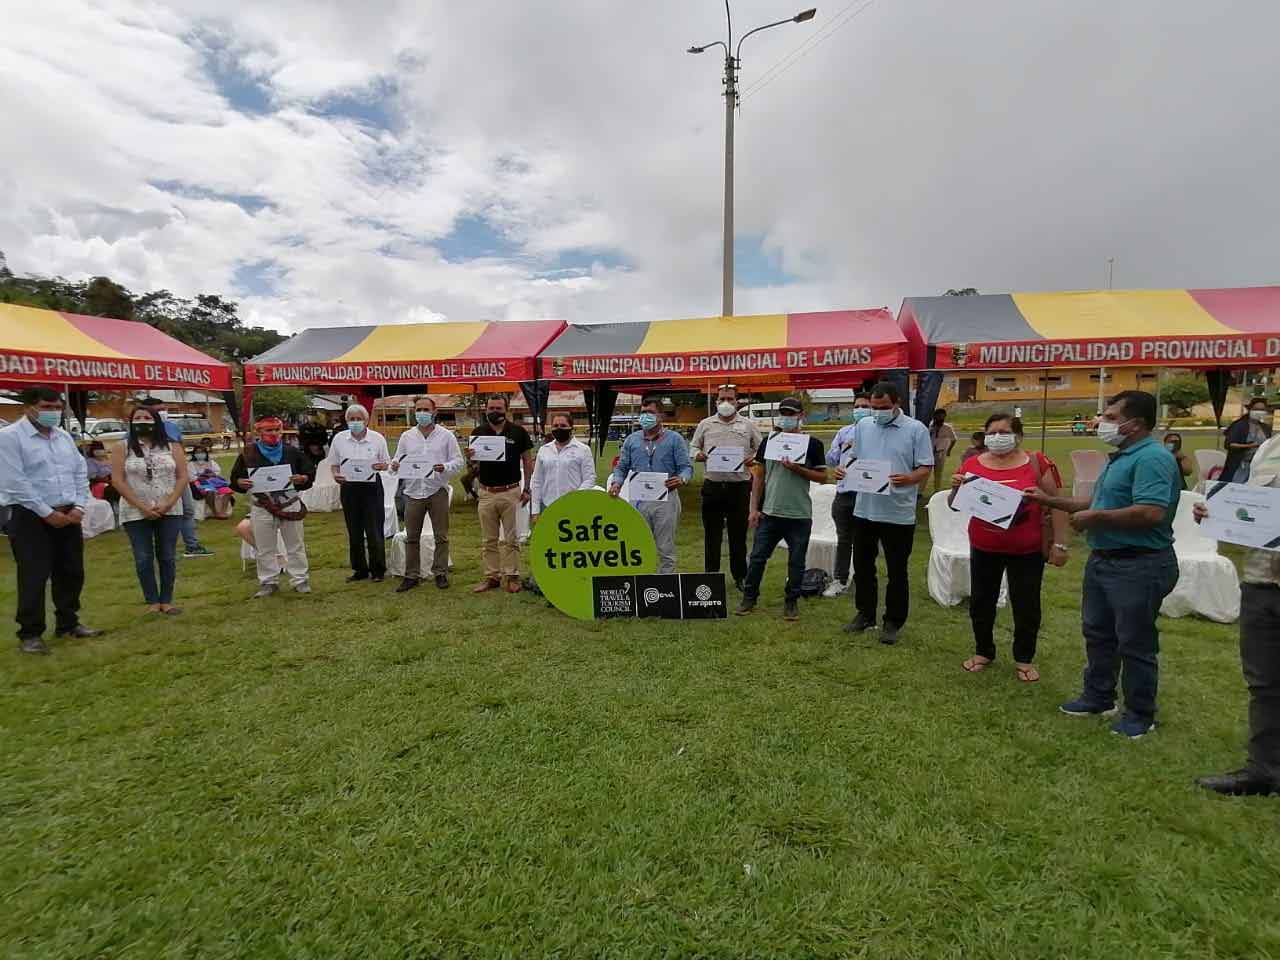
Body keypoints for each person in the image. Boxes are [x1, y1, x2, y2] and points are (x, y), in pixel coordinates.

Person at [1024, 390, 1180, 739]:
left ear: (1135, 424)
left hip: (1138, 564)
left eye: (1110, 418)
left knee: (1134, 641)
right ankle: (1098, 696)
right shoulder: (1121, 456)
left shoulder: (1152, 458)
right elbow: (1092, 501)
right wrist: (1049, 500)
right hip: (1105, 560)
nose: (1102, 423)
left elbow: (1151, 512)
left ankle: (1140, 714)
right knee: (1098, 632)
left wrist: (1096, 518)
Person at [950, 414, 1070, 682]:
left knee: (1026, 604)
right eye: (991, 432)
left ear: (1018, 435)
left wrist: (1060, 544)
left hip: (1026, 550)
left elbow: (1057, 504)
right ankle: (984, 651)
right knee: (982, 602)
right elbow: (955, 504)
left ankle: (1024, 659)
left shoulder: (1038, 463)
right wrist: (955, 489)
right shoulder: (971, 463)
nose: (996, 436)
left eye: (1003, 431)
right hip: (984, 546)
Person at [1192, 433, 1280, 796]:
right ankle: (1264, 771)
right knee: (1265, 684)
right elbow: (1253, 509)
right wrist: (1218, 515)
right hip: (1262, 582)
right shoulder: (1271, 448)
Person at [0, 386, 101, 654]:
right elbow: (14, 482)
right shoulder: (9, 438)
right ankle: (30, 633)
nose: (53, 412)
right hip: (30, 515)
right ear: (28, 407)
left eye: (57, 407)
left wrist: (80, 505)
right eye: (46, 407)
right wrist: (46, 512)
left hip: (69, 512)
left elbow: (80, 471)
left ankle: (69, 623)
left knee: (71, 571)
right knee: (34, 574)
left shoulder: (63, 437)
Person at [843, 382, 933, 645]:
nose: (878, 412)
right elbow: (856, 459)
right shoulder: (864, 426)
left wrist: (908, 478)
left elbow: (926, 466)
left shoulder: (915, 430)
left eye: (884, 407)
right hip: (865, 510)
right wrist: (845, 471)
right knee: (862, 566)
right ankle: (865, 614)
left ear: (897, 404)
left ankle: (892, 621)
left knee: (896, 570)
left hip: (898, 513)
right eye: (874, 407)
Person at [736, 397, 826, 620]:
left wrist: (797, 469)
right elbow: (759, 476)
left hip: (799, 514)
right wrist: (753, 508)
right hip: (770, 513)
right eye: (784, 414)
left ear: (801, 416)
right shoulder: (769, 442)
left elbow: (823, 477)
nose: (787, 418)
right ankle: (749, 598)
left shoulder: (813, 444)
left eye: (791, 414)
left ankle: (791, 602)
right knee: (757, 558)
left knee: (796, 562)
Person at [112, 406, 187, 615]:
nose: (142, 421)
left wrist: (169, 503)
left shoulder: (172, 447)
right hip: (135, 510)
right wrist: (142, 506)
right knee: (143, 557)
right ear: (131, 422)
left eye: (147, 417)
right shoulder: (122, 447)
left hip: (169, 509)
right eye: (138, 418)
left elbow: (182, 477)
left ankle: (166, 600)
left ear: (156, 421)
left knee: (167, 556)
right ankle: (152, 600)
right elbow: (117, 480)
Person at [230, 415, 316, 599]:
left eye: (277, 430)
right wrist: (240, 482)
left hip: (289, 504)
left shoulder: (292, 452)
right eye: (269, 430)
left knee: (295, 544)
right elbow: (235, 478)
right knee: (264, 547)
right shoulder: (248, 454)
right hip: (262, 506)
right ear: (259, 432)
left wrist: (303, 478)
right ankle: (268, 581)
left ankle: (300, 579)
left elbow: (309, 472)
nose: (273, 434)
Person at [608, 395, 693, 575]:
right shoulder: (632, 440)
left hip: (666, 499)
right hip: (639, 499)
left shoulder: (674, 439)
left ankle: (664, 584)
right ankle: (641, 581)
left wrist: (682, 479)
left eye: (650, 412)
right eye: (643, 412)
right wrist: (617, 483)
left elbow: (686, 467)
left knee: (665, 547)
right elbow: (621, 467)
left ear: (660, 415)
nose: (645, 416)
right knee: (638, 544)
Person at [690, 384, 761, 591]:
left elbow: (762, 447)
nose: (726, 403)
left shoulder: (748, 425)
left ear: (738, 401)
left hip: (738, 488)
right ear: (716, 402)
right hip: (712, 486)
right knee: (711, 535)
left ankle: (740, 576)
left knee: (738, 536)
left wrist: (752, 458)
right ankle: (711, 576)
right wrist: (698, 455)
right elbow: (693, 446)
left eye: (730, 399)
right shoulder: (705, 424)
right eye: (722, 399)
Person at [390, 396, 463, 592]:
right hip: (413, 492)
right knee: (412, 536)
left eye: (425, 409)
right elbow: (397, 460)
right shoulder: (407, 437)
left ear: (434, 411)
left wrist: (444, 467)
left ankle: (440, 573)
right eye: (418, 409)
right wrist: (395, 464)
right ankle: (411, 575)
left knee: (441, 535)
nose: (422, 413)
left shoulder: (446, 436)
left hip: (436, 490)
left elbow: (458, 462)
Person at [467, 395, 534, 593]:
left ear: (506, 409)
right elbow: (474, 466)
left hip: (510, 491)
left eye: (498, 407)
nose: (494, 411)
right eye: (490, 408)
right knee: (489, 539)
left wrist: (527, 488)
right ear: (485, 409)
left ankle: (512, 576)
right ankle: (492, 576)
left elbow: (527, 462)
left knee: (511, 538)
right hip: (487, 492)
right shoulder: (479, 432)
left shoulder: (518, 432)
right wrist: (470, 459)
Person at [139, 396, 212, 558]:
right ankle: (162, 551)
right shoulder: (138, 430)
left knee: (187, 510)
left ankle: (192, 546)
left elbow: (179, 446)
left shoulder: (171, 427)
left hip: (178, 474)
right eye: (159, 410)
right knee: (159, 514)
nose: (163, 413)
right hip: (155, 479)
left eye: (164, 409)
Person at [329, 403, 391, 584]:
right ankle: (359, 569)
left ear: (366, 420)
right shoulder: (339, 438)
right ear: (346, 421)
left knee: (374, 529)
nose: (355, 422)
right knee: (354, 530)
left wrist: (381, 466)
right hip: (349, 487)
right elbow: (333, 463)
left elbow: (386, 462)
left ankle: (378, 569)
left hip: (371, 487)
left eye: (359, 419)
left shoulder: (377, 438)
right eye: (351, 419)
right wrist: (335, 475)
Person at [823, 395, 873, 597]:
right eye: (857, 406)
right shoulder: (844, 432)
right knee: (844, 539)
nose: (860, 409)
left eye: (865, 406)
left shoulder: (878, 433)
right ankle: (840, 579)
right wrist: (842, 447)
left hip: (868, 494)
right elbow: (831, 460)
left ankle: (865, 579)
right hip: (844, 493)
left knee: (866, 541)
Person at [530, 412, 597, 518]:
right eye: (555, 426)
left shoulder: (583, 449)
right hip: (548, 505)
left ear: (571, 427)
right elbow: (537, 480)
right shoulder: (544, 450)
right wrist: (535, 509)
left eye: (563, 426)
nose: (559, 428)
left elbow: (590, 478)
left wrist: (575, 498)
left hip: (574, 507)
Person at [1223, 398, 1273, 483]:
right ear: (1250, 410)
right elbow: (1229, 444)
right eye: (1256, 409)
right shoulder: (1240, 425)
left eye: (1262, 410)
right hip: (1240, 466)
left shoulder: (1265, 427)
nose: (1259, 412)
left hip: (1259, 467)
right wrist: (1250, 446)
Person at [188, 444, 234, 518]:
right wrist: (202, 476)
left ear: (206, 453)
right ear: (194, 454)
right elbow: (192, 477)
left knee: (228, 491)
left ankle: (223, 511)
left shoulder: (211, 462)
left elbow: (217, 471)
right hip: (200, 483)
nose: (200, 454)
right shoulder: (191, 464)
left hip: (214, 482)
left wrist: (211, 474)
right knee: (210, 492)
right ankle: (215, 512)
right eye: (197, 452)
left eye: (202, 452)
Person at [929, 409, 958, 494]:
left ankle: (936, 490)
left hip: (940, 452)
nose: (940, 418)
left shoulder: (947, 427)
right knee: (925, 472)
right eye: (938, 416)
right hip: (929, 452)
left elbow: (954, 439)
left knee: (938, 472)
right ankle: (920, 492)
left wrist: (949, 450)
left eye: (942, 416)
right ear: (934, 416)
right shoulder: (929, 426)